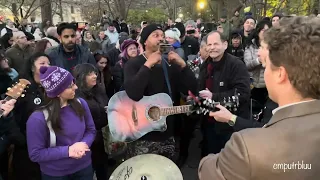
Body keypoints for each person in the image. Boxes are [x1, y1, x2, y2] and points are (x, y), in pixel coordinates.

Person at [199, 16, 320, 180]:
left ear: (281, 74)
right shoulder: (206, 65)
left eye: (265, 64)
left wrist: (218, 101)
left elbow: (207, 170)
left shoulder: (247, 147)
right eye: (209, 45)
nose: (263, 72)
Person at [123, 24, 197, 160]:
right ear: (145, 41)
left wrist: (183, 65)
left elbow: (192, 88)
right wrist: (147, 65)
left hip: (168, 133)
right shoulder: (133, 64)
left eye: (162, 36)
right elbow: (134, 93)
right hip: (143, 135)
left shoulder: (169, 64)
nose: (161, 38)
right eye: (155, 35)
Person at [26, 66, 96, 179]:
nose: (76, 87)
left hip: (83, 167)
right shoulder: (38, 119)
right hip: (56, 174)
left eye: (74, 83)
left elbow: (91, 130)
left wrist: (84, 145)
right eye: (70, 86)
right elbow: (36, 154)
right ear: (57, 92)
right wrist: (68, 151)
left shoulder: (81, 103)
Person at [198, 31, 251, 157]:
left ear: (225, 45)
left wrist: (214, 97)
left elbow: (243, 94)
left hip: (229, 125)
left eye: (216, 44)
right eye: (209, 44)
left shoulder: (236, 65)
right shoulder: (205, 65)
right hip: (209, 122)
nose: (212, 47)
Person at [73, 64, 109, 180]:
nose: (94, 76)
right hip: (89, 140)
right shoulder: (77, 96)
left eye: (95, 73)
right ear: (81, 77)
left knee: (103, 168)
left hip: (103, 137)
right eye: (90, 74)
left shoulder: (99, 90)